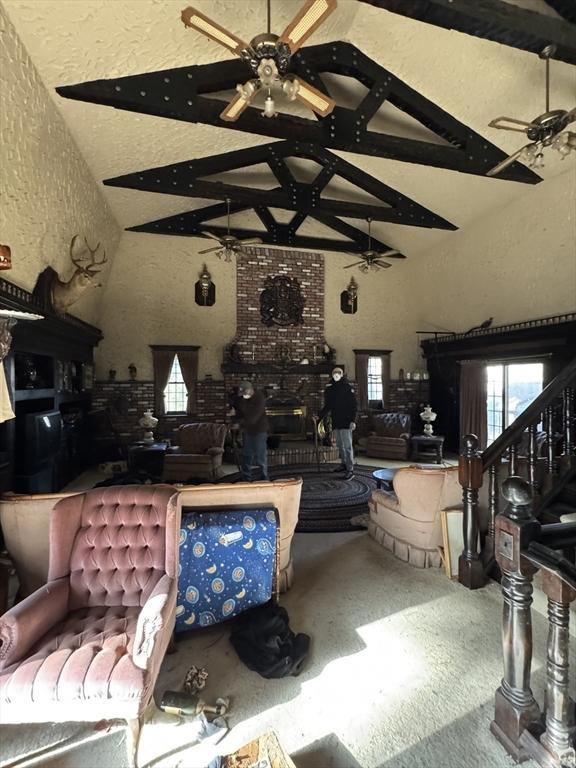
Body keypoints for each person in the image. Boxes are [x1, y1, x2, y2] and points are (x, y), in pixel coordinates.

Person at [318, 367, 357, 480]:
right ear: (332, 374)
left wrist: (353, 421)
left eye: (338, 373)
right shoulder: (330, 389)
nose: (336, 374)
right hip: (336, 421)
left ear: (342, 374)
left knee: (347, 446)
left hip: (346, 421)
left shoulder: (348, 388)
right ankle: (344, 464)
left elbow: (354, 406)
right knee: (340, 445)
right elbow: (328, 406)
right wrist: (319, 415)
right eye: (334, 373)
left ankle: (350, 469)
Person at [234, 380, 269, 482]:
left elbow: (252, 418)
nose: (243, 396)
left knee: (260, 457)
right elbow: (241, 412)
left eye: (244, 393)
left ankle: (264, 478)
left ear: (250, 390)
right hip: (248, 431)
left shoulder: (259, 398)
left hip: (260, 431)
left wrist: (239, 424)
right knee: (247, 456)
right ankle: (246, 479)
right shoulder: (243, 399)